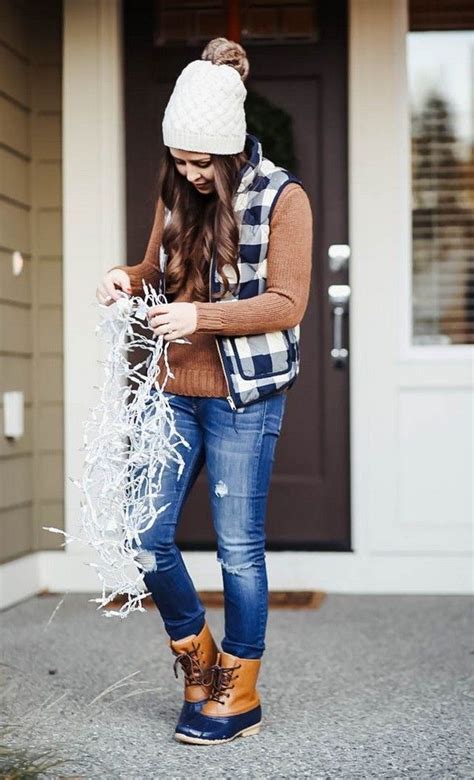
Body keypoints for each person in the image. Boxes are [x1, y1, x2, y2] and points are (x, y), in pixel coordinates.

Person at [96, 37, 313, 745]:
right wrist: (127, 278)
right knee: (146, 533)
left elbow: (286, 302)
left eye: (199, 163)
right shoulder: (175, 192)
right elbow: (154, 269)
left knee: (238, 551)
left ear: (227, 151)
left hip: (242, 398)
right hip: (170, 390)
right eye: (179, 160)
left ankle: (237, 689)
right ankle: (198, 660)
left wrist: (203, 317)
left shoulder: (284, 198)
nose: (187, 173)